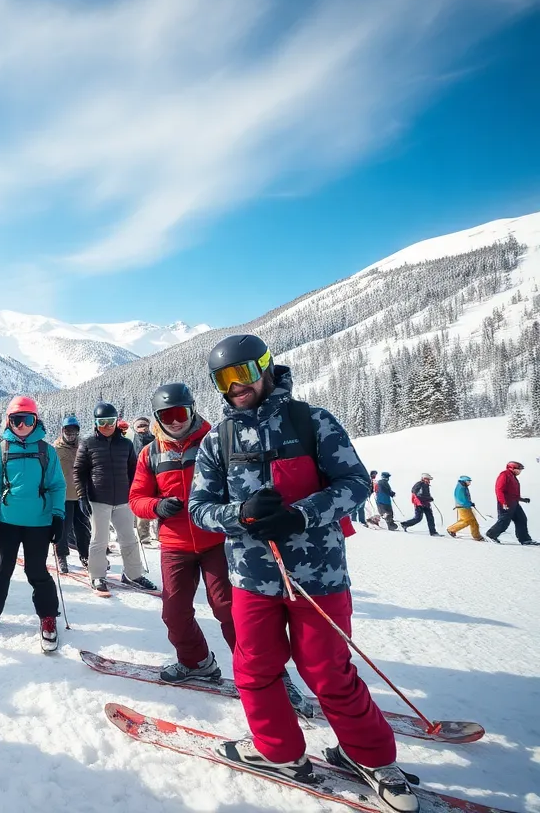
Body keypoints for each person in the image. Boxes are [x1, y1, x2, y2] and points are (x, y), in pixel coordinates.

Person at [189, 334, 415, 812]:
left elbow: (356, 483)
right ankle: (279, 752)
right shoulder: (218, 440)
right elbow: (199, 510)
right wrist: (240, 513)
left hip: (319, 575)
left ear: (266, 368)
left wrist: (303, 513)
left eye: (243, 374)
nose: (236, 387)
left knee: (327, 671)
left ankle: (369, 758)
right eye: (224, 380)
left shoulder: (311, 422)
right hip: (251, 577)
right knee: (255, 667)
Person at [129, 383, 235, 683]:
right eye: (167, 414)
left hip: (216, 540)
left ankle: (260, 670)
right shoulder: (150, 453)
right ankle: (196, 662)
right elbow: (136, 498)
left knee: (228, 608)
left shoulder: (215, 442)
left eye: (181, 412)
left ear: (192, 409)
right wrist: (157, 506)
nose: (176, 420)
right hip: (175, 544)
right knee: (174, 613)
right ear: (157, 418)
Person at [0, 397, 66, 650]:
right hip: (8, 520)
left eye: (28, 420)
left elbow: (57, 485)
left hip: (39, 521)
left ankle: (48, 617)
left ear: (36, 420)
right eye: (17, 420)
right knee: (1, 569)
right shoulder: (1, 450)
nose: (22, 425)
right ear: (9, 421)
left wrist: (58, 516)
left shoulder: (47, 451)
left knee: (36, 571)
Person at [74, 401, 156, 593]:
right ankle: (97, 576)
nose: (107, 426)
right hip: (98, 499)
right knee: (99, 540)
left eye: (110, 421)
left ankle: (133, 574)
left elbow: (133, 471)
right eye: (102, 422)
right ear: (95, 423)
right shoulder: (88, 444)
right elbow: (79, 471)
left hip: (123, 499)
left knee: (129, 538)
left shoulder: (126, 444)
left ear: (116, 422)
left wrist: (136, 493)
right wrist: (82, 496)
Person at [53, 414, 91, 570]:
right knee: (63, 528)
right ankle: (61, 556)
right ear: (62, 431)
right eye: (68, 432)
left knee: (83, 528)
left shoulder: (83, 447)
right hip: (63, 495)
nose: (71, 435)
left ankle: (86, 555)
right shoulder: (55, 449)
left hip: (81, 494)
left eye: (74, 432)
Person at [485, 461, 532, 545]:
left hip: (514, 503)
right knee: (504, 521)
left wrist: (522, 499)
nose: (520, 472)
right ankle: (491, 535)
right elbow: (499, 490)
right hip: (506, 503)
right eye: (519, 469)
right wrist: (503, 502)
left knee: (521, 519)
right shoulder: (504, 475)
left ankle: (525, 539)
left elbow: (512, 493)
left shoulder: (512, 476)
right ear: (512, 468)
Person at [130, 416, 158, 546]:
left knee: (159, 504)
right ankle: (144, 535)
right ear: (135, 428)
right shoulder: (131, 442)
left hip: (156, 475)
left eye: (144, 426)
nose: (142, 428)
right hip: (140, 476)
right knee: (144, 505)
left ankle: (159, 534)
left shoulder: (154, 440)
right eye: (139, 426)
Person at [446, 476, 482, 541]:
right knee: (468, 521)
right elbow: (461, 500)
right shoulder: (461, 488)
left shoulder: (463, 487)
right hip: (463, 507)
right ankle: (451, 529)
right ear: (464, 481)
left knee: (471, 521)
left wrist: (470, 503)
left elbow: (465, 498)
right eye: (468, 481)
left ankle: (477, 536)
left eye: (470, 481)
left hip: (465, 507)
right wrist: (469, 504)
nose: (469, 483)